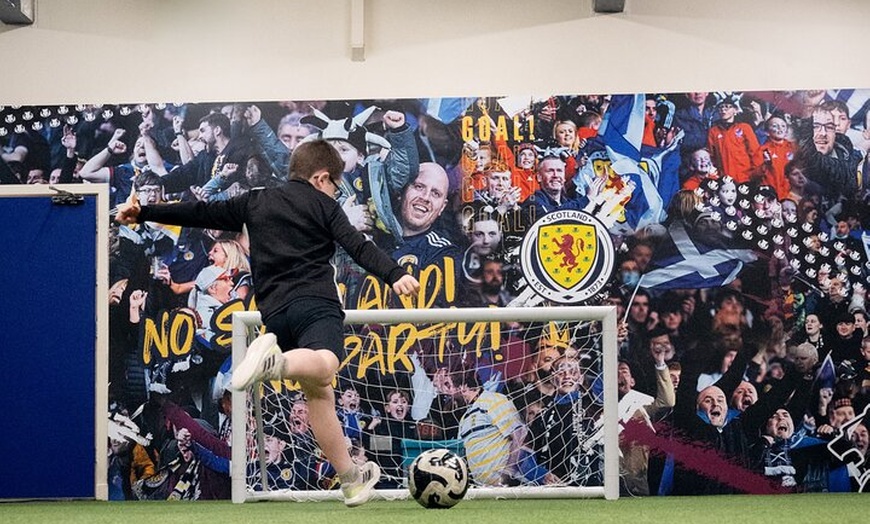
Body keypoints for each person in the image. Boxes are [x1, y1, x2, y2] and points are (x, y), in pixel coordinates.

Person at [115, 138, 421, 507]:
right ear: (322, 178)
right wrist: (394, 274)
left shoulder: (255, 200)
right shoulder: (325, 204)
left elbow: (199, 212)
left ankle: (350, 479)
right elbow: (358, 246)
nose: (335, 191)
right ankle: (275, 363)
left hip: (275, 313)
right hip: (316, 303)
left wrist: (143, 212)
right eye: (335, 184)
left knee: (318, 395)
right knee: (327, 366)